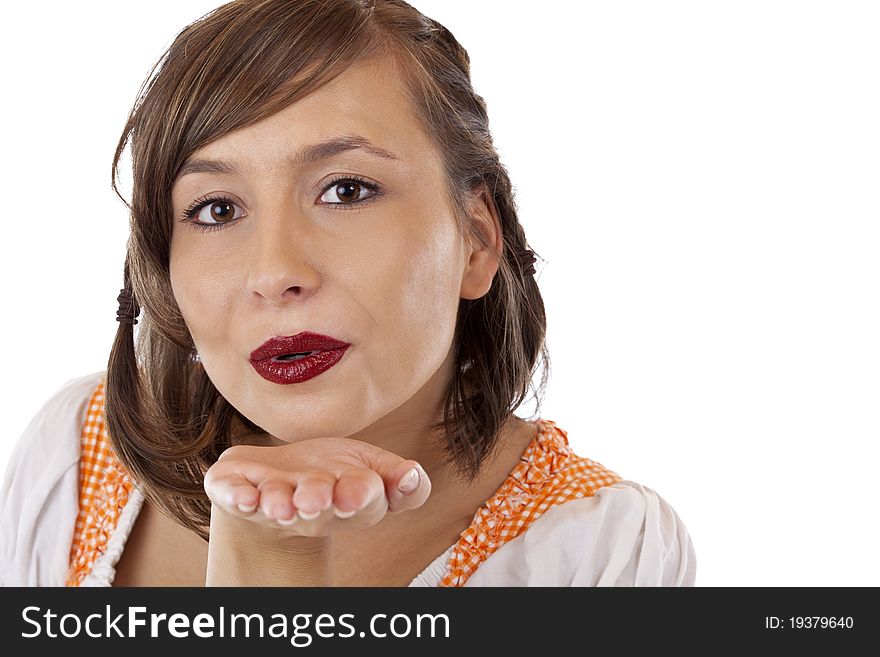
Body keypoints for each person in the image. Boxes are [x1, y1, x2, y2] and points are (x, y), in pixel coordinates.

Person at [0, 0, 696, 587]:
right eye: (216, 209)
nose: (275, 271)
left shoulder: (601, 551)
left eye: (347, 190)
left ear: (478, 241)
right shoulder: (75, 450)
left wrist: (272, 564)